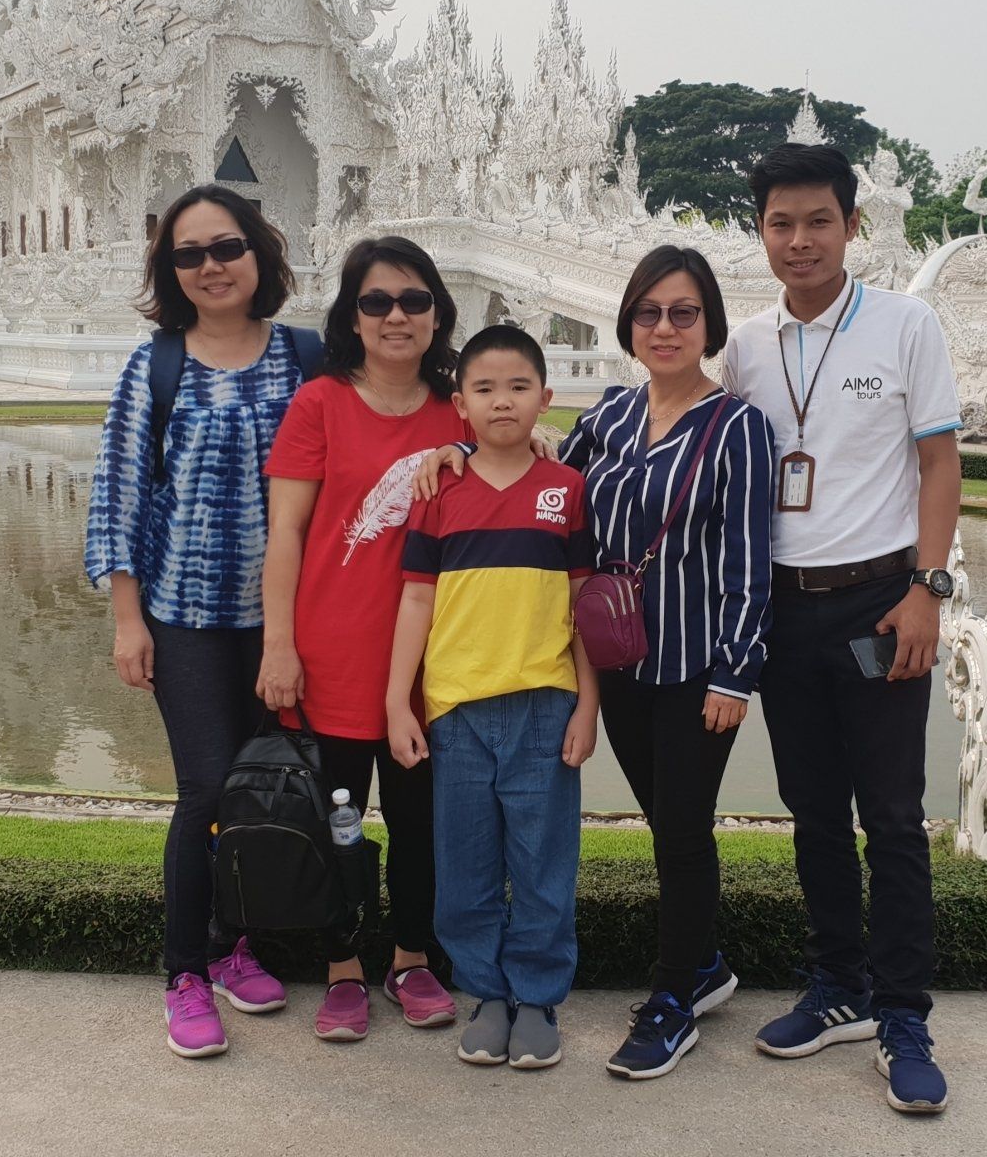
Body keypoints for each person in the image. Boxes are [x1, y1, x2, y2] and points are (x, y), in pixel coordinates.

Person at [720, 143, 961, 1115]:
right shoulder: (744, 345)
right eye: (781, 223)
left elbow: (939, 465)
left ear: (852, 226)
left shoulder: (906, 324)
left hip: (879, 604)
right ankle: (837, 987)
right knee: (812, 810)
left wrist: (928, 590)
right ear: (763, 232)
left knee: (892, 818)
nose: (800, 239)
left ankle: (904, 1013)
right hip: (784, 608)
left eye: (818, 220)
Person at [84, 183, 308, 1059]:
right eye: (190, 254)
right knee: (206, 789)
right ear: (171, 270)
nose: (212, 266)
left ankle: (237, 943)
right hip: (182, 616)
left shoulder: (304, 357)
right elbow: (118, 496)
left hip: (285, 621)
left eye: (227, 248)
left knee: (265, 791)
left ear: (258, 255)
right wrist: (126, 621)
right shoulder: (157, 366)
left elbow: (377, 440)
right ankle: (186, 968)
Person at [557, 247, 774, 1079]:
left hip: (694, 670)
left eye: (683, 313)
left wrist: (735, 674)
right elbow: (549, 490)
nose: (665, 328)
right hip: (617, 660)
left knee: (683, 832)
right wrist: (465, 456)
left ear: (709, 325)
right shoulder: (608, 417)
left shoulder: (738, 428)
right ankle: (709, 966)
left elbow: (750, 563)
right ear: (628, 324)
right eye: (648, 312)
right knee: (663, 821)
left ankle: (673, 1000)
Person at [260, 236, 470, 1042]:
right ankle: (343, 967)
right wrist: (280, 646)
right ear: (353, 314)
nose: (396, 316)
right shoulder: (319, 403)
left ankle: (412, 958)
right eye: (377, 301)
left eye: (414, 300)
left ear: (438, 314)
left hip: (432, 667)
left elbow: (522, 465)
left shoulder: (460, 408)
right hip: (333, 659)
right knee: (338, 827)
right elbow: (287, 533)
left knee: (420, 827)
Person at [385, 324, 600, 1072]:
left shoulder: (566, 490)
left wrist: (589, 704)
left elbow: (583, 609)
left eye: (517, 387)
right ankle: (487, 994)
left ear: (545, 398)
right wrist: (397, 702)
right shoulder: (438, 490)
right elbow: (415, 604)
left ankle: (538, 998)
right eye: (484, 388)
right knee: (466, 867)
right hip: (457, 709)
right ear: (461, 404)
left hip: (545, 703)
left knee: (544, 865)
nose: (502, 401)